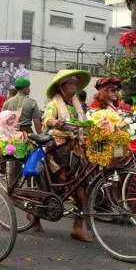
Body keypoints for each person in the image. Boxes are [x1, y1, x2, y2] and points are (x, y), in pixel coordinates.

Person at [42, 70, 92, 242]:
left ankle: (78, 227)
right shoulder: (54, 103)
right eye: (70, 84)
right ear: (61, 87)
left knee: (81, 187)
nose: (73, 87)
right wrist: (55, 122)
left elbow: (84, 123)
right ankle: (34, 218)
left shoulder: (78, 104)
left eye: (75, 84)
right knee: (54, 186)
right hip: (58, 148)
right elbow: (46, 119)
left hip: (76, 148)